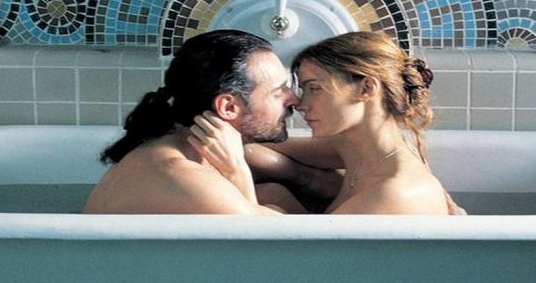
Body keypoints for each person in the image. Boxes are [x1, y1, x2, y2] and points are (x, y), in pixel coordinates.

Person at [191, 31, 454, 215]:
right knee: (273, 194)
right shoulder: (355, 147)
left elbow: (294, 263)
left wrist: (237, 173)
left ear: (366, 88)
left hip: (317, 265)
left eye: (314, 88)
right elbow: (255, 147)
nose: (300, 103)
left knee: (270, 201)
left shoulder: (393, 193)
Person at [82, 29, 300, 214]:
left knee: (273, 195)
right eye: (278, 92)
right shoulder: (190, 181)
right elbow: (273, 244)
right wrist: (238, 171)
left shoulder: (166, 148)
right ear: (228, 107)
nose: (294, 99)